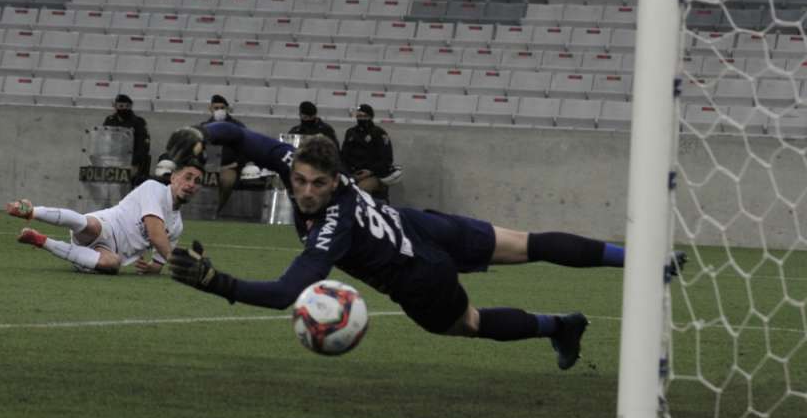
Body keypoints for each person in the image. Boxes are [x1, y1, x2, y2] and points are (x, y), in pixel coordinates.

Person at [165, 124, 670, 370]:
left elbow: (284, 293)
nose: (307, 192)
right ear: (291, 172)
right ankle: (640, 263)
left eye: (320, 184)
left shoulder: (332, 227)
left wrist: (215, 281)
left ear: (336, 179)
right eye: (300, 182)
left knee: (475, 315)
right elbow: (234, 134)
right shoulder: (298, 164)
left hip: (418, 270)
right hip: (417, 228)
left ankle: (564, 322)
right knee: (527, 244)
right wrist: (197, 136)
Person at [8, 142, 205, 275]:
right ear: (173, 178)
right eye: (187, 177)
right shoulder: (153, 188)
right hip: (107, 226)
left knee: (112, 264)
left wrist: (151, 268)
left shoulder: (177, 225)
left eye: (197, 182)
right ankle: (31, 211)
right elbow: (155, 235)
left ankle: (41, 240)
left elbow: (159, 262)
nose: (191, 184)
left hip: (106, 254)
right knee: (91, 225)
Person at [340, 104, 401, 200]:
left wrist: (370, 171)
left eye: (364, 116)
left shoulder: (379, 133)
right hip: (352, 172)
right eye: (359, 116)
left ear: (370, 117)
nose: (361, 119)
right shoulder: (351, 132)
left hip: (374, 174)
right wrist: (346, 172)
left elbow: (386, 159)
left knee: (361, 189)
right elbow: (343, 156)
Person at [199, 94, 247, 214]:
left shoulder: (238, 127)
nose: (219, 111)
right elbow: (199, 149)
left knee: (227, 180)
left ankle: (219, 210)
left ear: (227, 109)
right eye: (216, 108)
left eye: (222, 108)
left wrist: (232, 165)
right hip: (209, 167)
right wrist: (209, 168)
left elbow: (246, 149)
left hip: (231, 166)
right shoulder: (204, 127)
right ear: (210, 109)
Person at [102, 93, 151, 188]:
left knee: (123, 181)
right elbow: (104, 141)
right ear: (115, 106)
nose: (124, 109)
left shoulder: (139, 122)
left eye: (127, 106)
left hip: (131, 162)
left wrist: (133, 162)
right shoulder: (109, 120)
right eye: (120, 106)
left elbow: (143, 147)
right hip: (111, 160)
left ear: (131, 106)